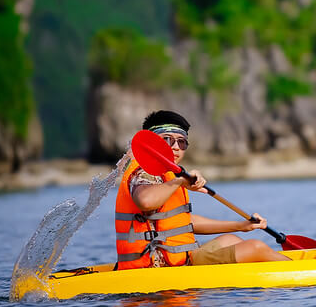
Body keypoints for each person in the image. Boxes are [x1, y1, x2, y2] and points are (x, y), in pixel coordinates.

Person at [115, 110, 289, 269]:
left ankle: (293, 265)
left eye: (182, 142)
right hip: (156, 266)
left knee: (230, 240)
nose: (176, 147)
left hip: (181, 258)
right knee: (255, 247)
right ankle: (301, 270)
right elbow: (145, 201)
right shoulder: (143, 171)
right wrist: (180, 182)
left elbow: (183, 221)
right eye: (168, 140)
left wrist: (241, 225)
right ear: (152, 143)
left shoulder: (168, 174)